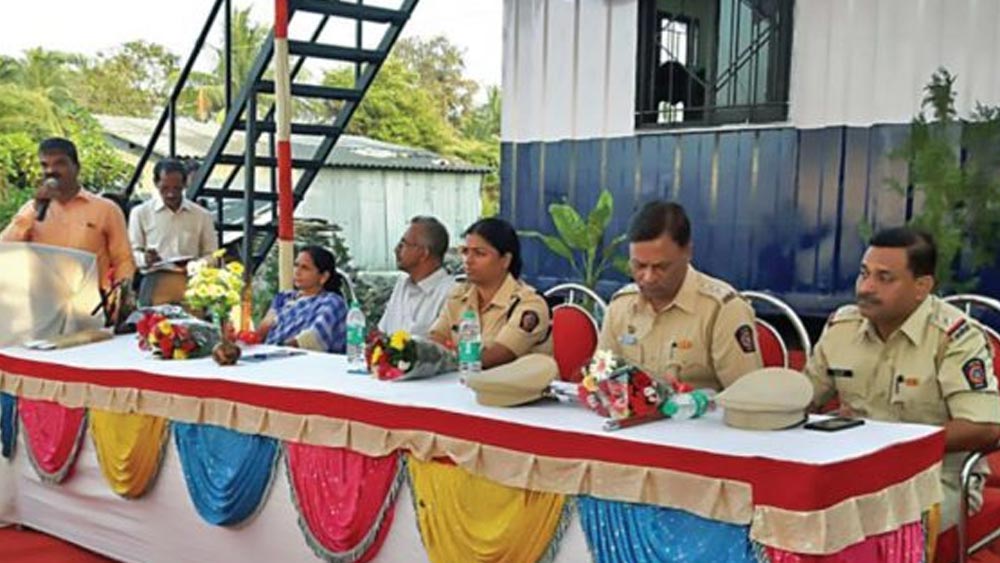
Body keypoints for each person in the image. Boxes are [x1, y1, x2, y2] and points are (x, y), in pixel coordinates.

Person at [805, 227, 1000, 531]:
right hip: (851, 470)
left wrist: (892, 443)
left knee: (869, 530)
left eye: (884, 278)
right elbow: (804, 397)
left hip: (933, 478)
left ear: (921, 286)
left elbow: (983, 428)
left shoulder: (954, 338)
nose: (866, 287)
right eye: (863, 273)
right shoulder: (842, 326)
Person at [599, 200, 761, 390]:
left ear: (687, 252)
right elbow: (601, 379)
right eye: (639, 266)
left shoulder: (722, 311)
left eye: (661, 267)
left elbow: (748, 397)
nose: (648, 278)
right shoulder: (621, 306)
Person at [1, 137, 135, 290]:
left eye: (60, 163)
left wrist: (119, 296)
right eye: (45, 165)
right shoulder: (31, 210)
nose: (51, 171)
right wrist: (34, 210)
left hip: (89, 303)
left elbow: (123, 259)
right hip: (42, 301)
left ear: (76, 167)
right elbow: (5, 249)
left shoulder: (106, 209)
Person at [429, 217, 551, 369]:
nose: (468, 260)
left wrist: (447, 358)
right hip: (462, 385)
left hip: (515, 390)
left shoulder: (529, 304)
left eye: (479, 253)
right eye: (465, 252)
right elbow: (435, 341)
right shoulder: (459, 296)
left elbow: (495, 356)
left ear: (505, 260)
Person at [128, 158, 218, 305]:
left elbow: (212, 254)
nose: (171, 194)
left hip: (190, 283)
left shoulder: (201, 215)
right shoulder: (140, 213)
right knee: (153, 326)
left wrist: (198, 264)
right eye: (165, 188)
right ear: (156, 183)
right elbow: (130, 253)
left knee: (192, 327)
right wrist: (145, 259)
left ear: (185, 184)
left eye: (176, 188)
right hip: (154, 281)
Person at [258, 246, 348, 353]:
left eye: (305, 268)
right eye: (296, 265)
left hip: (308, 364)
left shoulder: (332, 302)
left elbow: (312, 338)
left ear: (323, 277)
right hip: (271, 357)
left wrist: (278, 350)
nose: (297, 272)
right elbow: (262, 332)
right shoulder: (284, 297)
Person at [378, 216, 456, 337]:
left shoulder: (451, 292)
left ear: (424, 253)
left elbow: (444, 348)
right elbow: (382, 333)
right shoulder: (402, 283)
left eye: (403, 244)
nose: (396, 250)